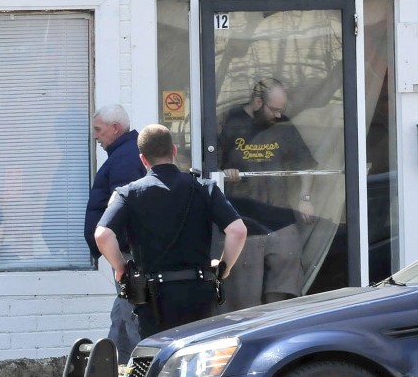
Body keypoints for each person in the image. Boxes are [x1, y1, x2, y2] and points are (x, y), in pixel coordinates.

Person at [95, 125, 247, 338]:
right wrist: (224, 267)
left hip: (153, 297)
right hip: (200, 290)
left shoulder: (128, 194)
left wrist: (121, 269)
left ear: (143, 159)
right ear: (174, 151)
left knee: (159, 361)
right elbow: (237, 231)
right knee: (200, 359)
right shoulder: (204, 187)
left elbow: (102, 235)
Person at [218, 79, 318, 312]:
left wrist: (305, 199)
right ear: (257, 102)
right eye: (274, 109)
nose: (278, 115)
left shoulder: (283, 124)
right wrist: (224, 174)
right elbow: (210, 168)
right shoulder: (231, 122)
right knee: (244, 301)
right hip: (243, 223)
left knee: (284, 293)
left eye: (282, 110)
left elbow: (306, 165)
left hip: (280, 218)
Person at [83, 104, 146, 362]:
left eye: (99, 130)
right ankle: (113, 374)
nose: (96, 136)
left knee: (132, 318)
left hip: (126, 253)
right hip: (123, 251)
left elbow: (126, 212)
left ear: (115, 128)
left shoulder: (125, 160)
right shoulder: (125, 155)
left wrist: (121, 253)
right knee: (121, 316)